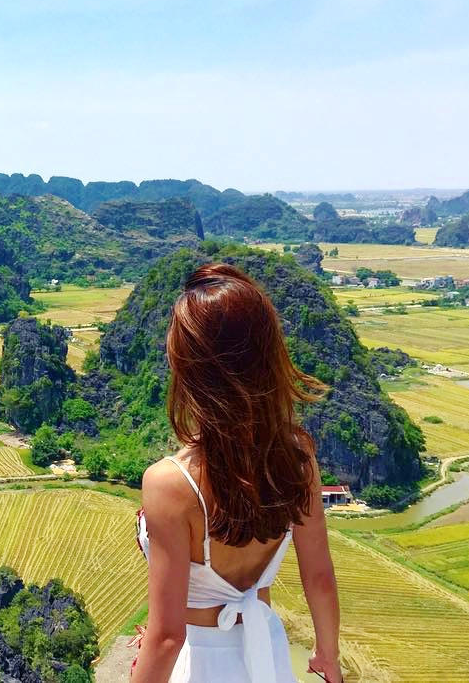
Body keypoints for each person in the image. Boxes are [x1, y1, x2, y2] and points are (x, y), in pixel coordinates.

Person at [130, 263, 344, 683]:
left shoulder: (170, 483)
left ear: (191, 368)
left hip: (201, 662)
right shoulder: (296, 455)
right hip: (266, 654)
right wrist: (328, 656)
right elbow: (318, 575)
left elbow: (168, 636)